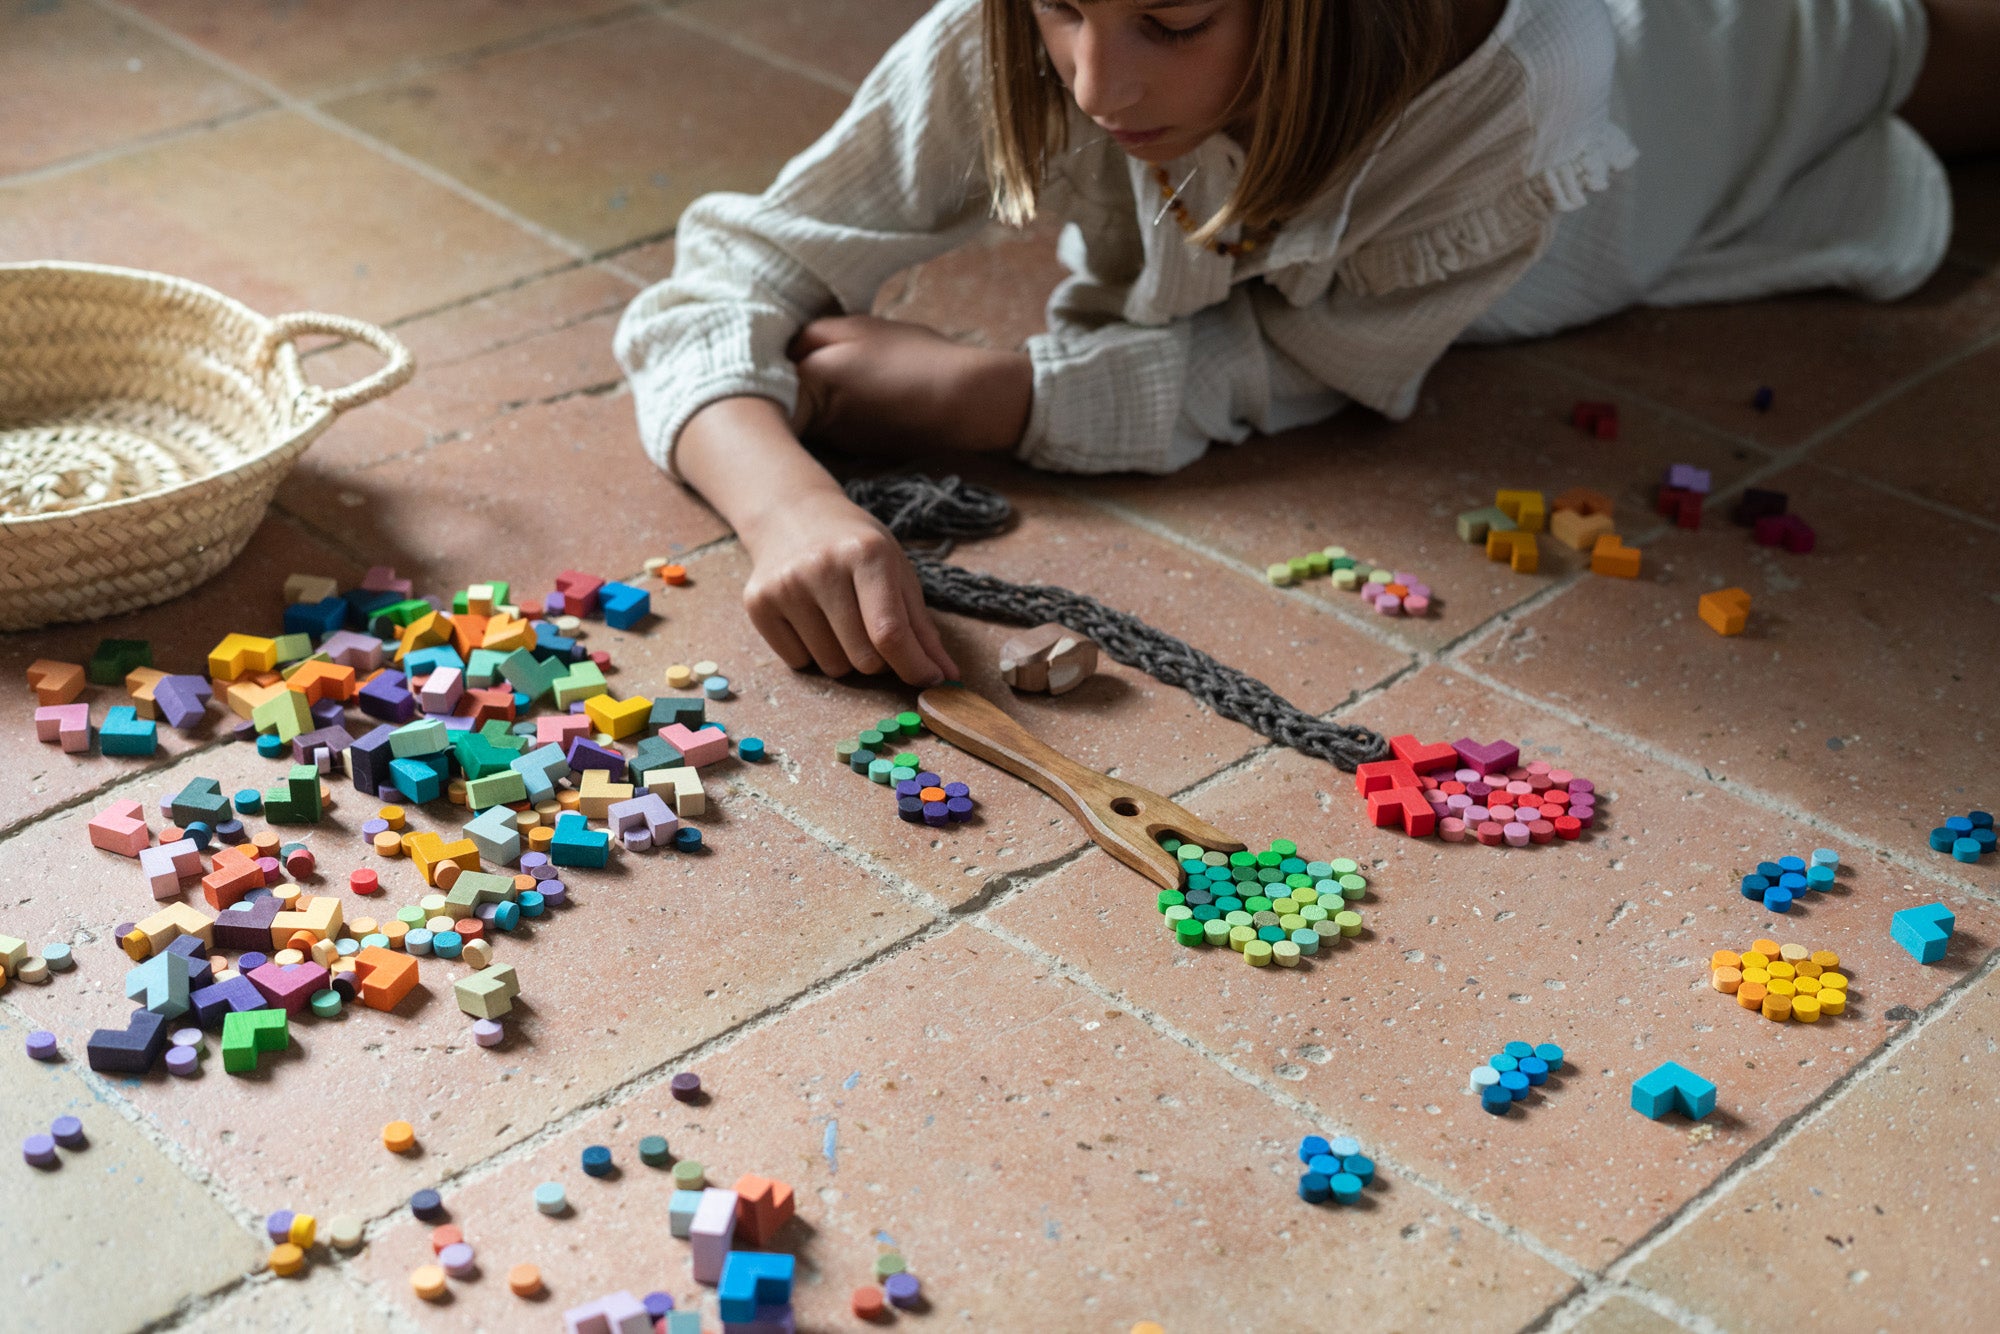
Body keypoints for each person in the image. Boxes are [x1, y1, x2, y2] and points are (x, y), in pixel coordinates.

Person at [615, 0, 1998, 686]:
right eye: (1063, 8)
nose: (1097, 81)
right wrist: (782, 499)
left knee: (1906, 48)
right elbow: (729, 267)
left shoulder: (1508, 106)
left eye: (1172, 19)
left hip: (1708, 77)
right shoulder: (1035, 37)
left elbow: (1297, 365)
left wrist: (1003, 394)